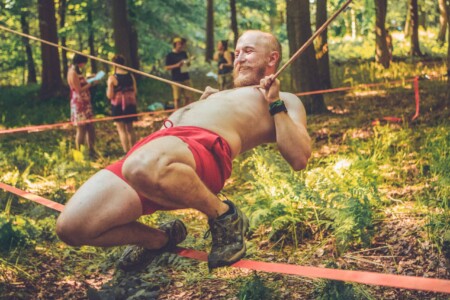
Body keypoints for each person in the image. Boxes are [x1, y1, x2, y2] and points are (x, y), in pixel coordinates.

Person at [56, 30, 311, 272]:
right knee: (72, 227)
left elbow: (299, 157)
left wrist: (274, 101)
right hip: (154, 150)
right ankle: (159, 239)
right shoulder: (220, 93)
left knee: (141, 165)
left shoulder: (284, 99)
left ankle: (225, 216)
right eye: (236, 53)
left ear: (272, 58)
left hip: (197, 151)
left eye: (248, 51)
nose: (239, 58)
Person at [67, 54, 97, 158]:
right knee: (81, 128)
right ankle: (79, 154)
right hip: (79, 102)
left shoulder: (77, 70)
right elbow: (79, 89)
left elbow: (82, 82)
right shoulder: (72, 72)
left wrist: (90, 78)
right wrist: (91, 84)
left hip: (86, 102)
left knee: (90, 127)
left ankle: (92, 151)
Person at [106, 54, 138, 153]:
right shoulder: (130, 76)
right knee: (130, 128)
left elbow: (110, 95)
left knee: (121, 129)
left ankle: (126, 152)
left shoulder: (112, 78)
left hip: (118, 105)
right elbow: (135, 91)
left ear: (114, 64)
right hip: (130, 104)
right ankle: (133, 150)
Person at [165, 37, 193, 108]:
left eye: (181, 44)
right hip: (176, 79)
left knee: (188, 96)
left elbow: (188, 64)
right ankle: (176, 111)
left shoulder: (184, 53)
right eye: (178, 44)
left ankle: (186, 111)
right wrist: (177, 65)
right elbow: (167, 67)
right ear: (175, 45)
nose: (180, 46)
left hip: (186, 77)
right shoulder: (170, 55)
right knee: (177, 98)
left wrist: (188, 62)